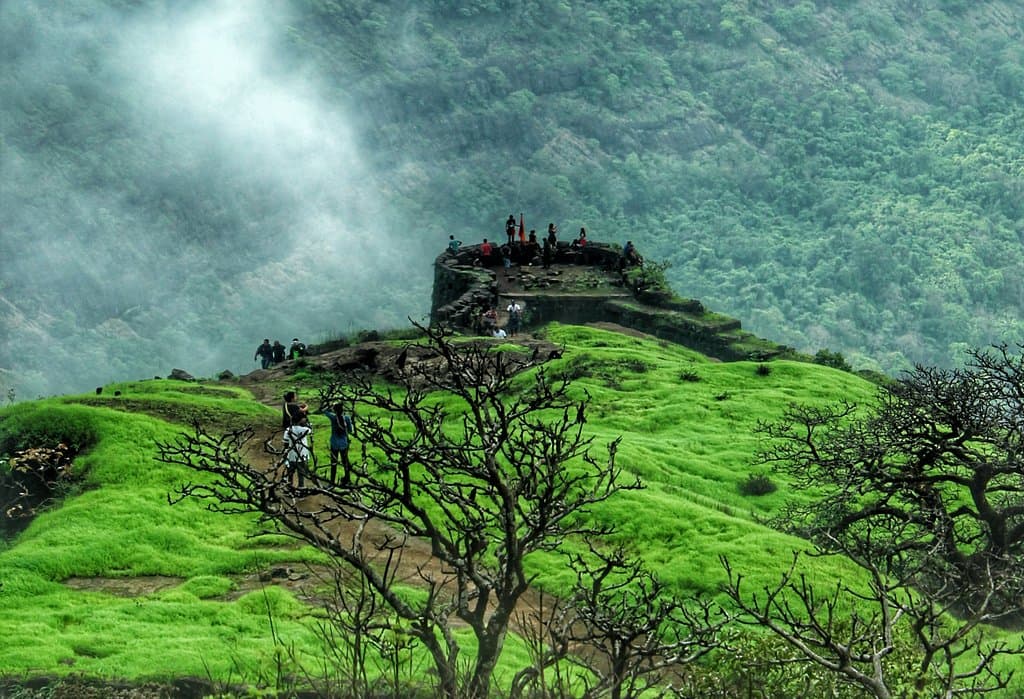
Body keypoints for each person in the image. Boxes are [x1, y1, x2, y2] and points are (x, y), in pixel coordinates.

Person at [320, 402, 355, 484]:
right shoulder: (347, 418)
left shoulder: (333, 417)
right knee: (345, 462)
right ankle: (347, 480)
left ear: (334, 410)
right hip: (344, 443)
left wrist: (331, 404)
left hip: (334, 443)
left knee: (333, 463)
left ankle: (332, 482)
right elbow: (350, 430)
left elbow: (323, 410)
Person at [282, 416, 312, 487]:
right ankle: (301, 489)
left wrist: (286, 454)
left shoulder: (288, 430)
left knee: (290, 474)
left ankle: (290, 488)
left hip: (291, 455)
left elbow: (285, 443)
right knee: (301, 474)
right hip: (302, 455)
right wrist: (306, 423)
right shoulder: (304, 429)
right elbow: (310, 429)